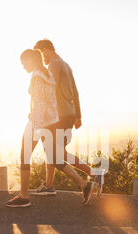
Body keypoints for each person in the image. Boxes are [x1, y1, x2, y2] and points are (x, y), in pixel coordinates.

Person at [6, 49, 94, 208]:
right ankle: (84, 184)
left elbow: (39, 102)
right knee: (54, 157)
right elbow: (50, 101)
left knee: (25, 156)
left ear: (31, 60)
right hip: (52, 121)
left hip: (37, 122)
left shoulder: (36, 76)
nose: (23, 66)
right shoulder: (48, 75)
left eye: (24, 62)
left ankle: (23, 196)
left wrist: (35, 123)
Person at [30, 39, 104, 197]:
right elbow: (75, 92)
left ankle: (93, 174)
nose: (42, 58)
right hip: (67, 114)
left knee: (55, 153)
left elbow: (48, 91)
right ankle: (49, 185)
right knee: (54, 151)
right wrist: (78, 115)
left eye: (41, 53)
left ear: (46, 50)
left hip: (59, 116)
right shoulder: (66, 65)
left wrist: (37, 111)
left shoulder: (54, 65)